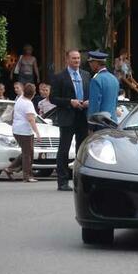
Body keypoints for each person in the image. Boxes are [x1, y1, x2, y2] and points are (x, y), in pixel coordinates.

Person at [50, 49, 90, 191]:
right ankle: (62, 181)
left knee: (82, 150)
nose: (77, 61)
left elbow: (90, 93)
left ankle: (80, 181)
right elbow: (53, 98)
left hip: (82, 116)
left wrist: (88, 102)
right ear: (67, 60)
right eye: (73, 58)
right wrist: (69, 101)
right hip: (67, 117)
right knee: (64, 149)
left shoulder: (86, 75)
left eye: (78, 58)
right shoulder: (59, 77)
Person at [4, 83, 41, 183]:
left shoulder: (20, 99)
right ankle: (27, 176)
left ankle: (10, 169)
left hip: (17, 129)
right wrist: (37, 133)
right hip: (25, 131)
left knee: (28, 152)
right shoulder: (28, 104)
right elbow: (31, 119)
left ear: (24, 91)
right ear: (33, 94)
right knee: (27, 154)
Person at [88, 51, 121, 127]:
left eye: (91, 62)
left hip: (100, 124)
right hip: (113, 122)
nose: (90, 65)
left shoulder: (96, 80)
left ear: (96, 63)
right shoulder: (114, 79)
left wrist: (91, 126)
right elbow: (115, 102)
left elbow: (95, 105)